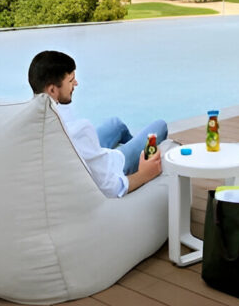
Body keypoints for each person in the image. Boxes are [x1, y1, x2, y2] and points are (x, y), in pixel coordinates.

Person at [29, 50, 168, 197]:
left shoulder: (35, 118)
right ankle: (137, 157)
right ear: (52, 90)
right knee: (160, 126)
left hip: (91, 154)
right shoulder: (79, 130)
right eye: (70, 81)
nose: (76, 83)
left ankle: (135, 148)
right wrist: (144, 173)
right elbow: (112, 188)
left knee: (116, 124)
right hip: (114, 165)